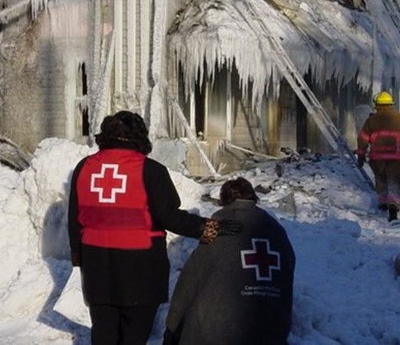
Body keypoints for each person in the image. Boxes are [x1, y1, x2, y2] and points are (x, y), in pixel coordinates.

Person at [67, 110, 242, 345]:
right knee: (134, 335)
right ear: (140, 136)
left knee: (103, 332)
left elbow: (74, 218)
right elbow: (170, 218)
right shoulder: (151, 171)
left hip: (97, 265)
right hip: (139, 267)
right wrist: (211, 228)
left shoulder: (83, 167)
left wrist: (78, 256)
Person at [164, 177, 296, 345]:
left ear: (224, 200)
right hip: (270, 331)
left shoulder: (217, 227)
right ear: (253, 198)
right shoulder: (277, 230)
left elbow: (191, 279)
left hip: (217, 332)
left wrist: (172, 328)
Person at [356, 91, 400, 222]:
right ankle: (393, 205)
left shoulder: (371, 120)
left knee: (381, 179)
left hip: (378, 158)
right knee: (394, 180)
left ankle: (383, 202)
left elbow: (363, 139)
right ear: (391, 105)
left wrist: (361, 155)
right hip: (395, 156)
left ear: (377, 105)